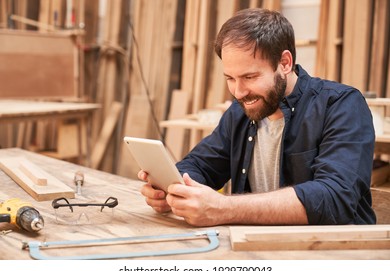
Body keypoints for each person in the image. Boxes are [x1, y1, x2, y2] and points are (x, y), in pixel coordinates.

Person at [138, 8, 376, 226]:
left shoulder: (341, 105)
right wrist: (174, 189)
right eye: (230, 78)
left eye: (250, 77)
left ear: (284, 63)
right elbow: (201, 165)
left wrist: (224, 208)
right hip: (258, 249)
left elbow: (334, 198)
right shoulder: (241, 111)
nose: (239, 92)